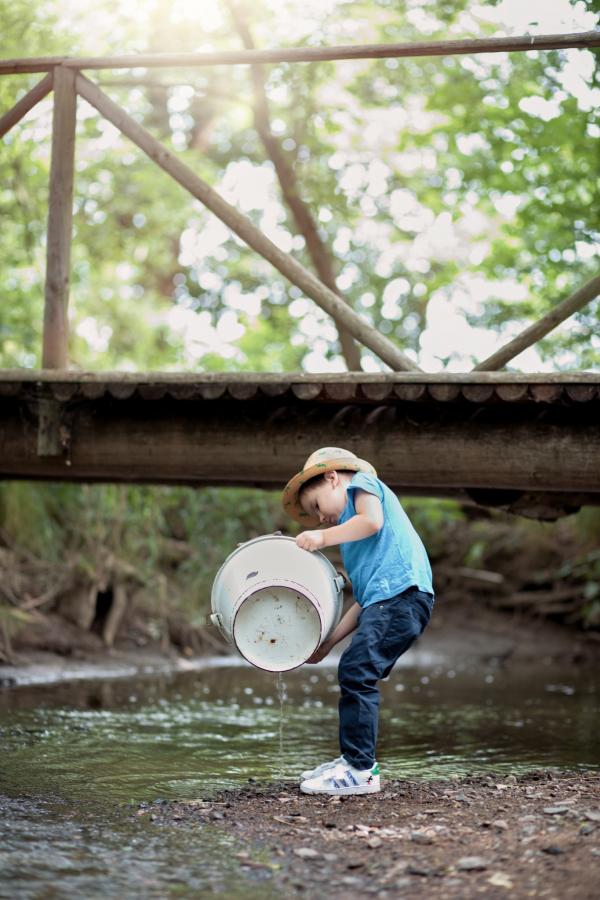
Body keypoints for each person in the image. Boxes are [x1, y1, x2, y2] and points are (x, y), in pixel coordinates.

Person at [282, 447, 434, 796]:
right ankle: (353, 759)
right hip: (388, 602)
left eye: (317, 507)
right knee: (354, 668)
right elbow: (365, 601)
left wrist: (321, 539)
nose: (319, 520)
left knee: (355, 671)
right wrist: (329, 642)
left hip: (403, 597)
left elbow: (372, 521)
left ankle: (360, 770)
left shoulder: (364, 485)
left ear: (333, 478)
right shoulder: (356, 545)